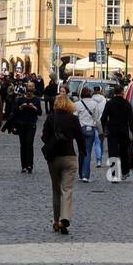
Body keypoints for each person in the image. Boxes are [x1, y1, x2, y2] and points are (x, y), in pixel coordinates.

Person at [41, 93, 85, 235]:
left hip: (54, 158)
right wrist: (83, 152)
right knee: (67, 189)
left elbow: (44, 137)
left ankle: (56, 221)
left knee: (56, 190)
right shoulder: (73, 119)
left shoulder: (51, 118)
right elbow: (80, 137)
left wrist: (52, 142)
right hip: (69, 156)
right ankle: (64, 218)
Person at [100, 84, 133, 180]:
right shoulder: (127, 104)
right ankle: (125, 172)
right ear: (122, 93)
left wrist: (102, 130)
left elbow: (103, 118)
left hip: (112, 131)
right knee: (124, 152)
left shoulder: (109, 103)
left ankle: (114, 175)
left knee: (113, 152)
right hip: (123, 131)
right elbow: (131, 121)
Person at [11, 82, 43, 172]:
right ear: (26, 89)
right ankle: (23, 166)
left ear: (34, 89)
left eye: (31, 89)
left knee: (29, 144)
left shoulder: (36, 100)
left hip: (31, 124)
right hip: (21, 124)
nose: (29, 91)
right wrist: (21, 107)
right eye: (28, 89)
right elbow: (15, 111)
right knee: (23, 145)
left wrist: (34, 108)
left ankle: (30, 165)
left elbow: (40, 112)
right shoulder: (20, 99)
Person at [74, 87, 97, 182]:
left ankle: (81, 173)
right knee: (88, 152)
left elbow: (75, 117)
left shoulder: (77, 104)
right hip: (90, 128)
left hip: (81, 129)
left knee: (81, 152)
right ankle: (85, 175)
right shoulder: (95, 104)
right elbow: (97, 117)